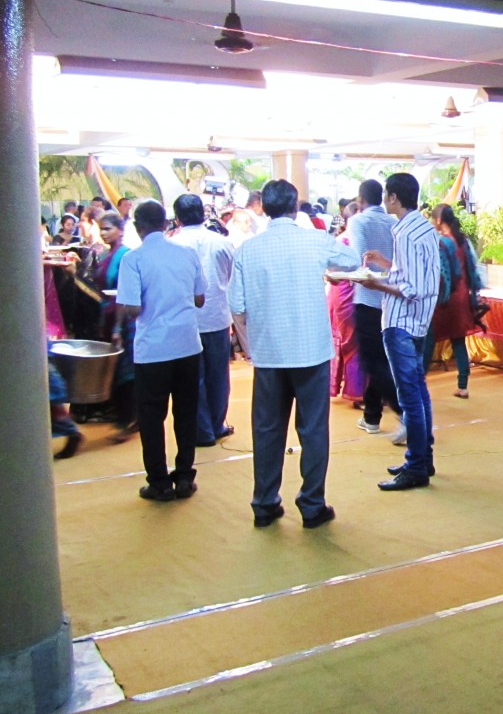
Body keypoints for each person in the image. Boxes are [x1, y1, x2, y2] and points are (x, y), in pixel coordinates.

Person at [228, 179, 360, 528]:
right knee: (313, 429)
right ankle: (312, 504)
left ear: (264, 208)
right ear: (294, 206)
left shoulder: (248, 249)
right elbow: (349, 259)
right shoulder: (314, 240)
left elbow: (236, 304)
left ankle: (265, 503)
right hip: (310, 351)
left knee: (268, 429)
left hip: (269, 353)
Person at [116, 200, 205, 502]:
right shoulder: (187, 254)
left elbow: (133, 308)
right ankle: (184, 477)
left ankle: (159, 482)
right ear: (166, 223)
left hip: (153, 349)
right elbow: (200, 299)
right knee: (186, 412)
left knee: (152, 416)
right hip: (187, 344)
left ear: (138, 227)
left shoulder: (134, 259)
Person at [361, 173, 441, 491]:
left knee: (410, 397)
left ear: (394, 197)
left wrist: (374, 282)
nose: (384, 201)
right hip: (419, 321)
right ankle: (423, 457)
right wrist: (387, 264)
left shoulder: (406, 231)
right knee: (418, 394)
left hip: (401, 322)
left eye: (386, 196)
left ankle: (417, 465)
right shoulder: (423, 226)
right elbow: (416, 274)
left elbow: (411, 287)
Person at [171, 193, 236, 448]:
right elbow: (231, 277)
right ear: (204, 213)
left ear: (177, 218)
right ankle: (217, 424)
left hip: (186, 320)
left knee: (192, 379)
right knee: (218, 375)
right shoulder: (221, 243)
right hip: (218, 317)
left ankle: (202, 431)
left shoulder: (173, 244)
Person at [347, 179, 405, 443]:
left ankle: (404, 412)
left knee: (373, 362)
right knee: (381, 361)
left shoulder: (359, 222)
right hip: (392, 300)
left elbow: (361, 262)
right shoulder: (394, 223)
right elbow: (397, 266)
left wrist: (345, 274)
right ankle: (371, 416)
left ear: (360, 200)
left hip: (369, 298)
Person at [423, 204, 483, 399]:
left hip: (445, 298)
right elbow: (472, 269)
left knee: (429, 339)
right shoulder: (463, 240)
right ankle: (463, 385)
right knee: (458, 340)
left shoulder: (442, 243)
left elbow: (440, 274)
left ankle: (419, 381)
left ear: (439, 220)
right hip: (463, 296)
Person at [95, 212, 136, 442]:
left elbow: (124, 293)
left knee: (125, 371)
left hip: (122, 320)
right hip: (108, 317)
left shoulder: (125, 256)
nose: (103, 233)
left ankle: (128, 420)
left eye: (108, 228)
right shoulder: (105, 255)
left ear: (120, 230)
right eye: (101, 229)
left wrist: (117, 328)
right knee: (114, 370)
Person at [328, 202, 365, 405]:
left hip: (353, 293)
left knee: (356, 342)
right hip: (345, 295)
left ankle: (358, 390)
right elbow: (331, 272)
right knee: (353, 343)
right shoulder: (343, 241)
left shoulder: (355, 240)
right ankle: (356, 392)